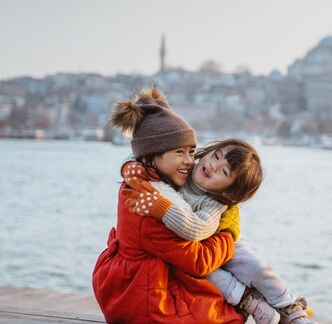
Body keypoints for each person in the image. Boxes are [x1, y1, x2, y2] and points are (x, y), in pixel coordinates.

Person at [119, 88, 317, 324]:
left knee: (254, 267)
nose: (211, 165)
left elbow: (196, 230)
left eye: (223, 171)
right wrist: (128, 169)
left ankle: (289, 307)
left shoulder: (212, 201)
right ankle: (250, 301)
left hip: (213, 236)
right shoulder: (178, 174)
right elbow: (140, 157)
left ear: (227, 191)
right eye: (215, 156)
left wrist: (162, 207)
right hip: (194, 254)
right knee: (210, 274)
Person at [92, 87, 243, 324]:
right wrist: (227, 236)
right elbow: (198, 261)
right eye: (179, 152)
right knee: (230, 318)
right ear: (152, 155)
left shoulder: (148, 178)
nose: (188, 161)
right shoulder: (148, 203)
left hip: (140, 287)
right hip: (141, 299)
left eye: (192, 152)